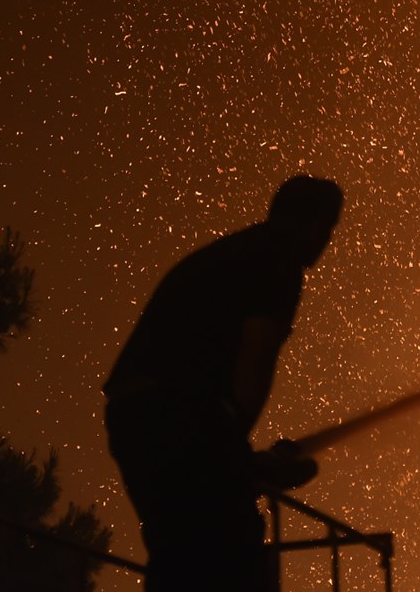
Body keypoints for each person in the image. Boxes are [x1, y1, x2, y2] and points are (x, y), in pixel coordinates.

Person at [104, 175, 343, 592]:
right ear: (311, 223)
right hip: (175, 414)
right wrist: (236, 451)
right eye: (327, 228)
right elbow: (256, 354)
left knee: (181, 551)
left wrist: (236, 457)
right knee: (231, 551)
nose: (326, 241)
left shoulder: (233, 253)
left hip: (136, 414)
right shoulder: (278, 260)